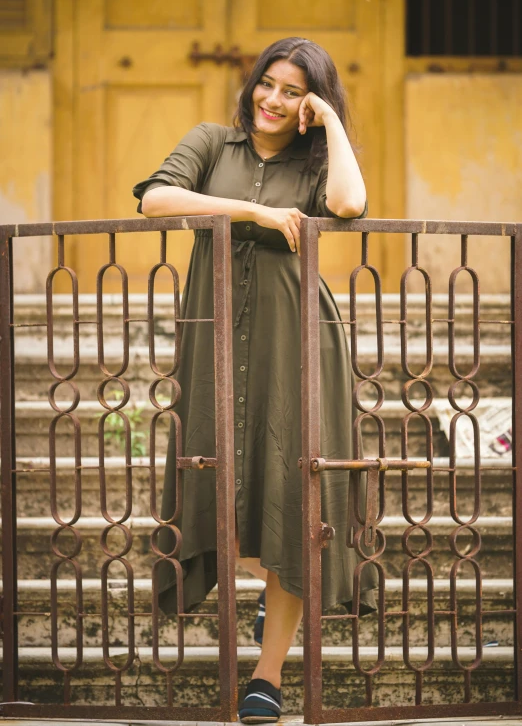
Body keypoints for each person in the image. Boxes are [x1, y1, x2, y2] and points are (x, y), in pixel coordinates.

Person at [133, 36, 377, 723]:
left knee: (292, 492)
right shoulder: (213, 143)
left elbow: (351, 204)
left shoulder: (316, 162)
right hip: (213, 335)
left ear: (311, 101)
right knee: (217, 470)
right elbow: (155, 198)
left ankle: (267, 676)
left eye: (294, 91)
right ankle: (241, 625)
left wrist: (329, 121)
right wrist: (257, 214)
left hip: (295, 340)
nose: (273, 100)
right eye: (268, 84)